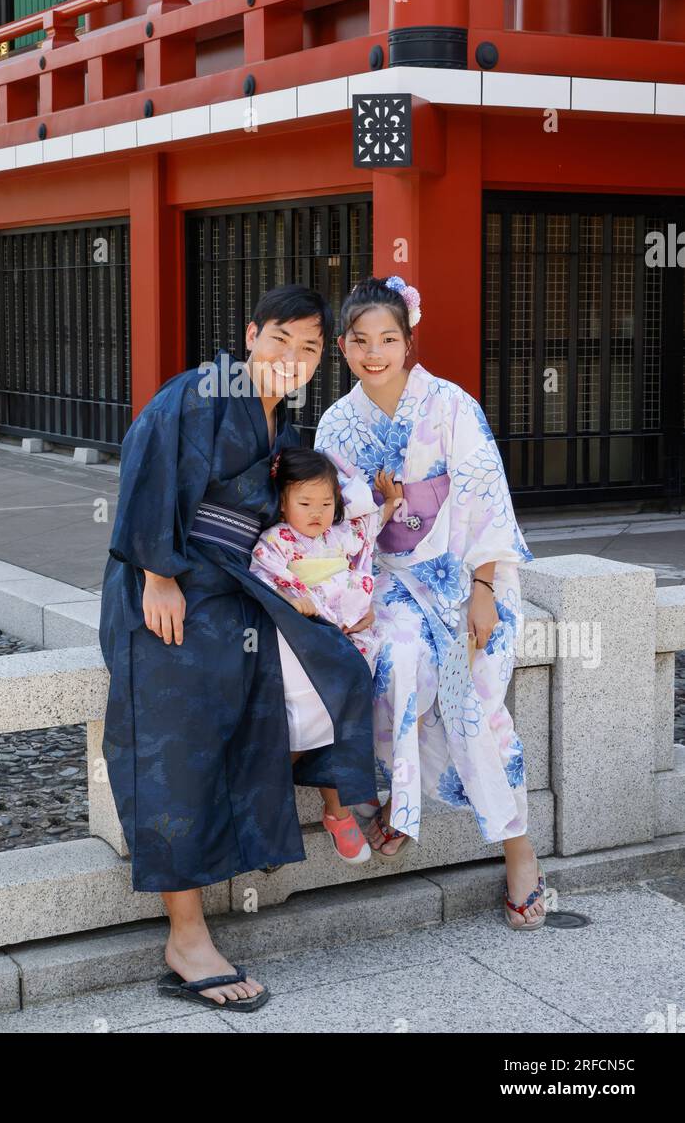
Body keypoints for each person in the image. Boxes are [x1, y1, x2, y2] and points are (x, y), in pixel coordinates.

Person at [98, 285, 379, 1013]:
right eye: (281, 340)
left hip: (228, 589)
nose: (293, 358)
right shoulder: (198, 394)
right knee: (177, 744)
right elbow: (146, 463)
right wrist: (157, 575)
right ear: (251, 334)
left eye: (311, 349)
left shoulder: (279, 425)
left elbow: (305, 512)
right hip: (163, 589)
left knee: (329, 667)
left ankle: (335, 799)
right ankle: (186, 937)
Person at [315, 274, 547, 930]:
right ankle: (402, 798)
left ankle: (519, 851)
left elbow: (484, 501)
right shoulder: (337, 422)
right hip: (384, 575)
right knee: (391, 663)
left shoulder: (451, 406)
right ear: (342, 346)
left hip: (462, 569)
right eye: (360, 340)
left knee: (473, 702)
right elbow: (326, 523)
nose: (375, 352)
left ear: (408, 342)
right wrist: (375, 512)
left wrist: (481, 590)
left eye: (388, 338)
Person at [249, 446, 406, 865]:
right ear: (282, 501)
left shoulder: (341, 534)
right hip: (304, 639)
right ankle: (273, 812)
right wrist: (291, 596)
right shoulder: (274, 542)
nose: (317, 513)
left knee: (348, 712)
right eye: (304, 503)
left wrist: (390, 501)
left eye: (325, 503)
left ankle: (334, 811)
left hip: (345, 640)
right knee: (307, 717)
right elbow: (265, 580)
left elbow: (370, 530)